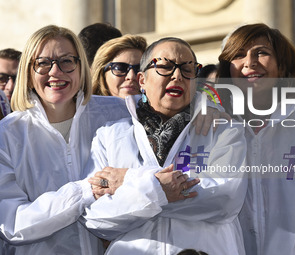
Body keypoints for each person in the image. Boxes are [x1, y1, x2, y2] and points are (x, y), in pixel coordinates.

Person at [80, 37, 248, 255]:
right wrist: (158, 188)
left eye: (187, 69)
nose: (177, 75)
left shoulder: (223, 130)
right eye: (165, 67)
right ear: (142, 80)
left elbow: (225, 200)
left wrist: (129, 182)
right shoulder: (110, 136)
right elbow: (95, 217)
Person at [0, 25, 133, 254]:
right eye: (42, 63)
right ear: (29, 74)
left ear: (81, 68)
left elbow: (173, 103)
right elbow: (13, 223)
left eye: (67, 61)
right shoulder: (8, 134)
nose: (55, 72)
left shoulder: (119, 112)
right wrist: (85, 191)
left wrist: (206, 106)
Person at [217, 23, 295, 255]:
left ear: (282, 64)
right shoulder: (216, 124)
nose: (250, 62)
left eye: (261, 52)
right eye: (238, 55)